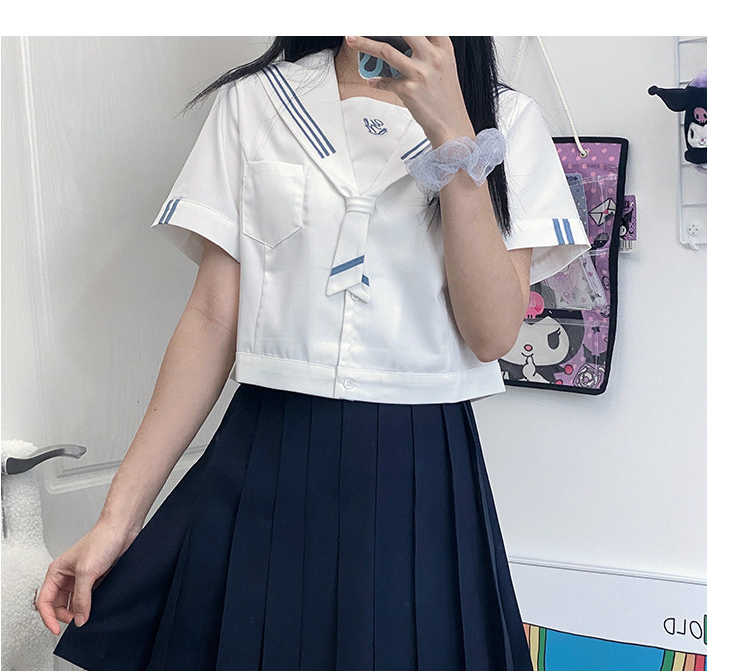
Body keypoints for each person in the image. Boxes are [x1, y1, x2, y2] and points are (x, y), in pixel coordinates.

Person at [36, 36, 590, 671]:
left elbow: (492, 335)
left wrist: (455, 144)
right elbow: (212, 319)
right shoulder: (257, 102)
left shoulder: (505, 118)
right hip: (265, 454)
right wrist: (116, 521)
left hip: (420, 470)